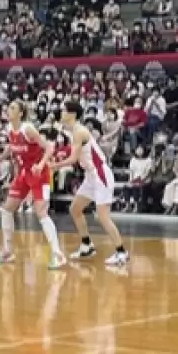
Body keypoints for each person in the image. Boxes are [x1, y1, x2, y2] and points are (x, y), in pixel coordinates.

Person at [49, 101, 129, 266]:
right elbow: (71, 153)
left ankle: (122, 252)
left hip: (100, 174)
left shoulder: (80, 132)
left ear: (72, 114)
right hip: (90, 175)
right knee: (75, 209)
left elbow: (73, 159)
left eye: (64, 110)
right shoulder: (72, 131)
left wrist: (54, 166)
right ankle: (87, 245)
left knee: (103, 216)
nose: (61, 112)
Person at [0, 100, 66, 269]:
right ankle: (7, 251)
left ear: (21, 113)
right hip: (24, 173)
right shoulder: (10, 129)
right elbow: (11, 147)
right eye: (8, 107)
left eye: (12, 108)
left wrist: (41, 164)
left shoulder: (28, 129)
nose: (8, 110)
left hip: (39, 173)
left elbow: (49, 148)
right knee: (7, 209)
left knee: (41, 213)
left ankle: (58, 254)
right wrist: (0, 159)